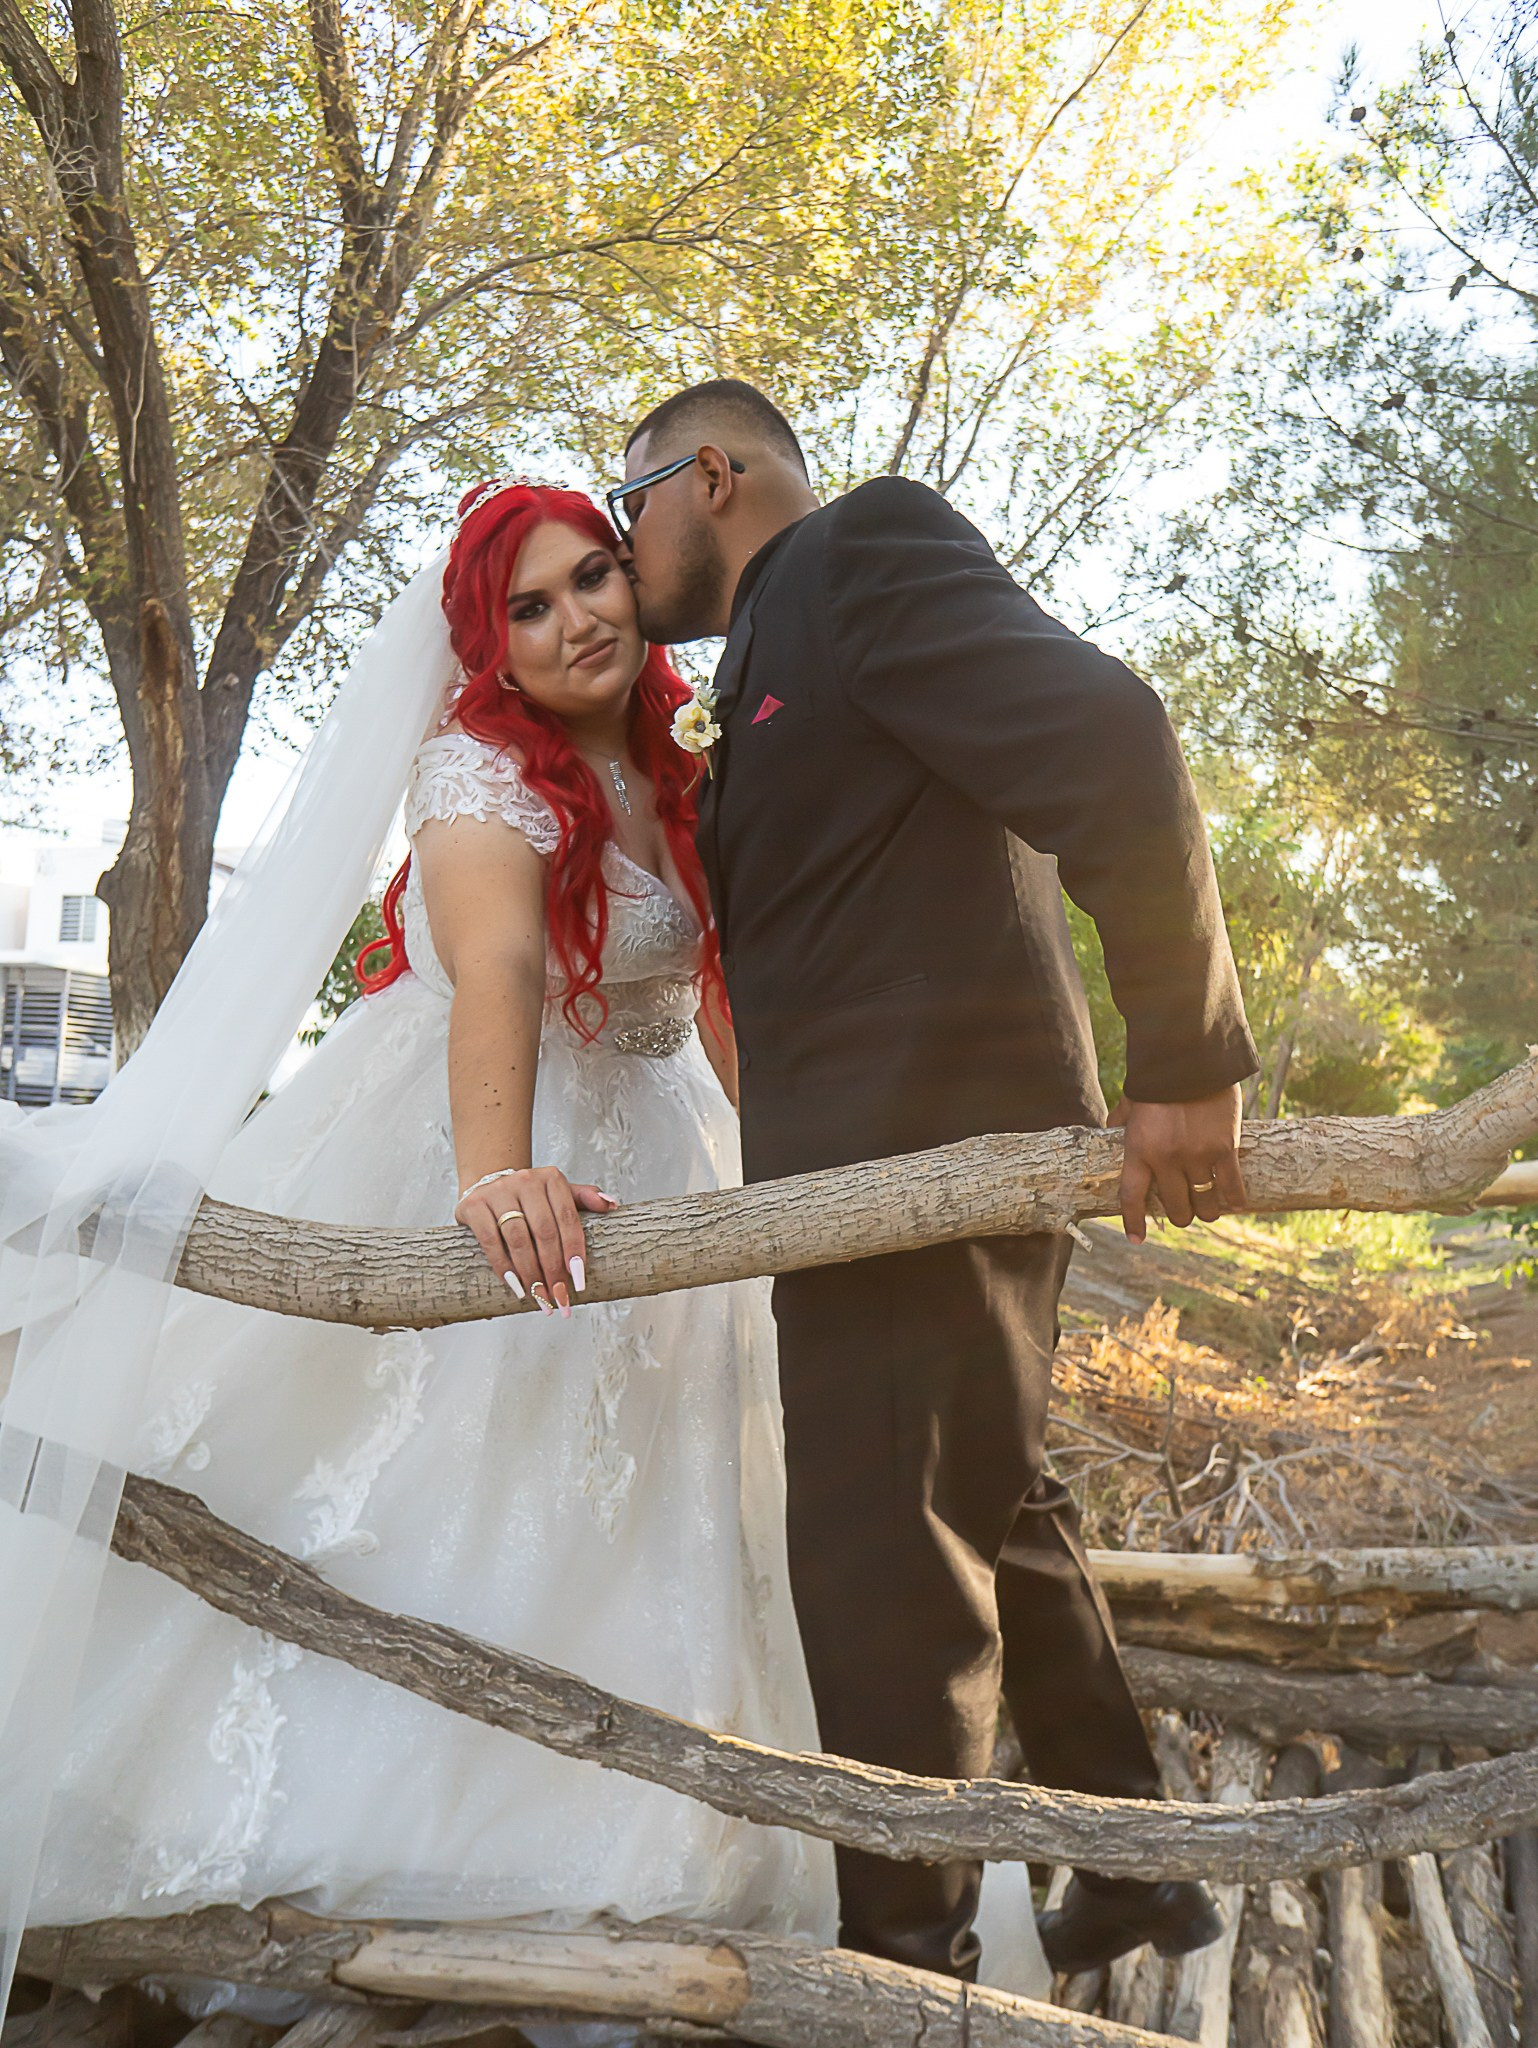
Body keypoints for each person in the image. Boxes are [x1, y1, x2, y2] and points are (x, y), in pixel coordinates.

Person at [16, 483, 837, 2005]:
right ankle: (375, 1862)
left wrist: (798, 1175)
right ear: (488, 645)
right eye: (531, 606)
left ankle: (638, 1855)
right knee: (430, 1473)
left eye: (593, 577)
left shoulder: (680, 767)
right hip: (478, 1128)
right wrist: (494, 1172)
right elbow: (501, 973)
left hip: (662, 1152)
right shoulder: (476, 776)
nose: (579, 616)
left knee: (654, 1503)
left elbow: (717, 999)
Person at [614, 381, 1261, 1979]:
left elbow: (1109, 732)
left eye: (624, 503)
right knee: (983, 1493)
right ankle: (1132, 1865)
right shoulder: (775, 646)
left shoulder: (861, 551)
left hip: (924, 1149)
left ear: (712, 472)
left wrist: (1184, 1053)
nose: (624, 548)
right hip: (877, 1161)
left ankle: (907, 1976)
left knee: (880, 1559)